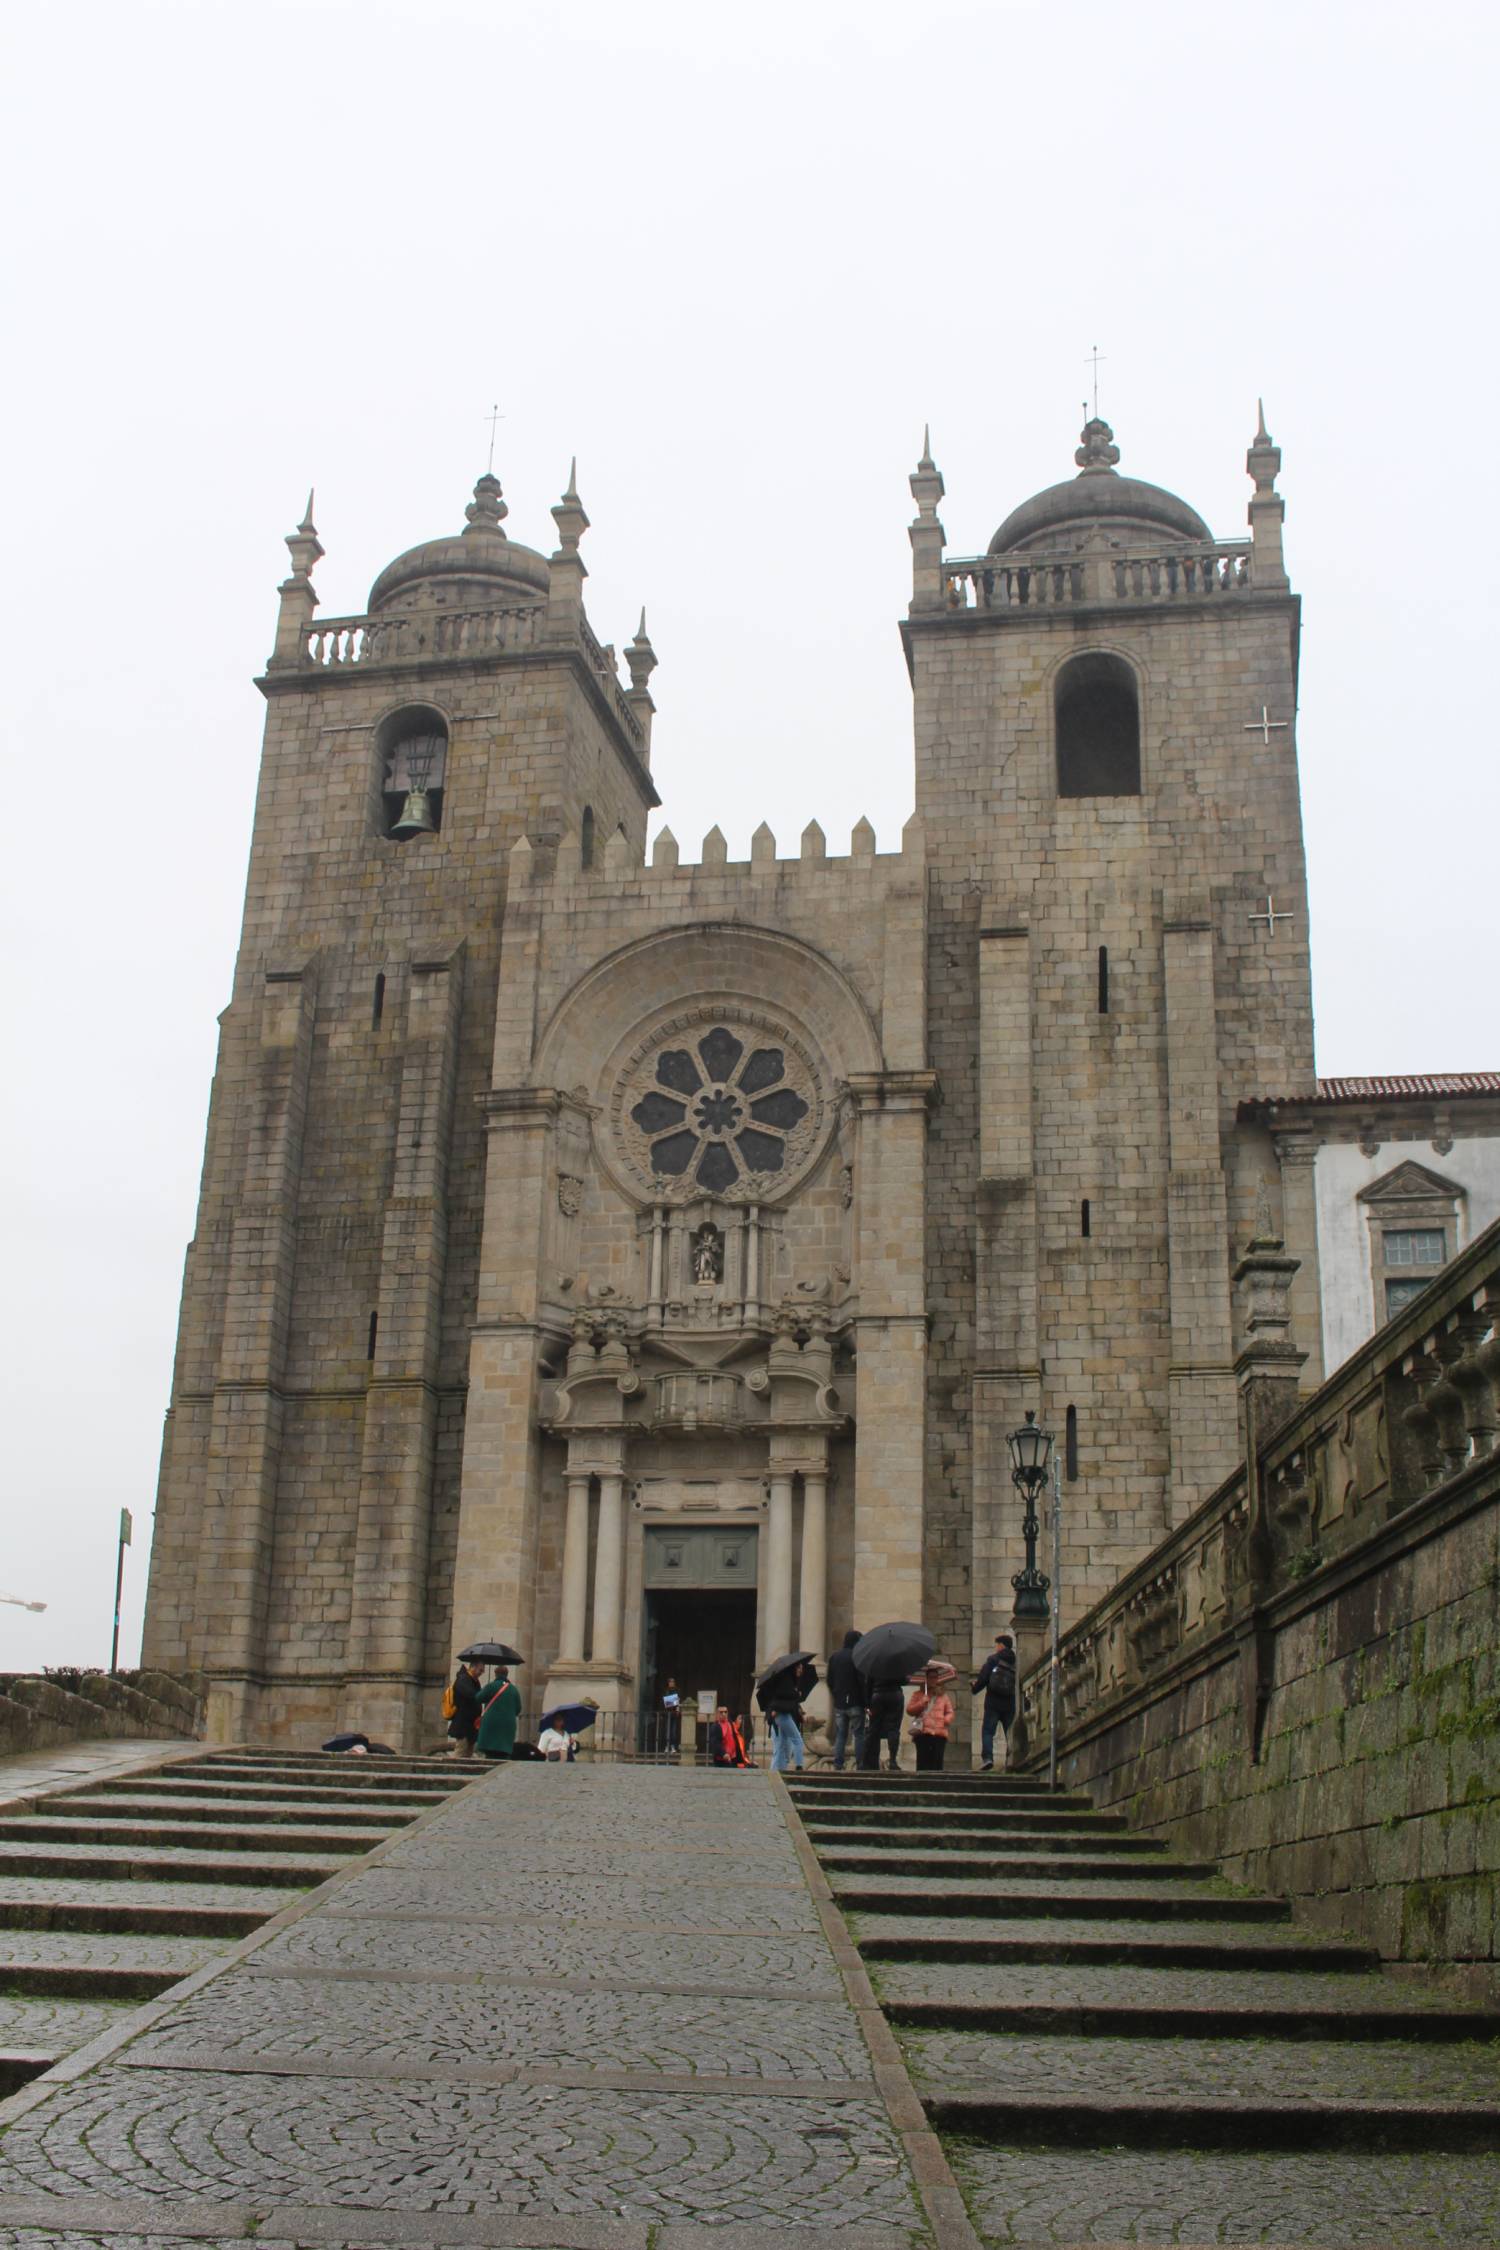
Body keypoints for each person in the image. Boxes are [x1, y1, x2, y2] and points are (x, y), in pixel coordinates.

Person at [758, 1658, 815, 1773]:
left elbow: (791, 1703)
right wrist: (796, 1694)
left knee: (783, 1747)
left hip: (783, 1716)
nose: (801, 1671)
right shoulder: (786, 1682)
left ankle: (779, 1772)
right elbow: (783, 1697)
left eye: (802, 1669)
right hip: (782, 1716)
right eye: (799, 1668)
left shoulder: (790, 1682)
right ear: (795, 1668)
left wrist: (799, 1713)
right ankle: (799, 1766)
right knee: (796, 1740)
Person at [971, 1633, 1017, 1770]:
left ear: (1001, 1645)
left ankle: (988, 1758)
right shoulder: (1016, 1661)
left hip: (993, 1702)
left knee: (988, 1731)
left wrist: (975, 1688)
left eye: (997, 1645)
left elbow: (984, 1678)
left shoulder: (993, 1659)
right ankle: (1012, 1759)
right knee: (1010, 1731)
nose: (995, 1647)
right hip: (1010, 1702)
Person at [826, 1628, 866, 1773]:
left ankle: (838, 1764)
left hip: (840, 1702)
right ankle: (860, 1764)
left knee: (841, 1735)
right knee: (859, 1734)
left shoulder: (834, 1657)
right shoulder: (857, 1657)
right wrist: (866, 1702)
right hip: (855, 1701)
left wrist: (836, 1694)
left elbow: (830, 1680)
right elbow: (861, 1681)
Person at [908, 1665, 956, 1771]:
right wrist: (921, 1703)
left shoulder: (943, 1696)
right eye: (930, 1677)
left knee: (937, 1764)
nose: (933, 1680)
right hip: (922, 1734)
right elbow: (909, 1710)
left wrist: (945, 1720)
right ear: (926, 1679)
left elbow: (950, 1712)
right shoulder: (918, 1694)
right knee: (922, 1764)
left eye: (935, 1677)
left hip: (939, 1734)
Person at [475, 1665, 522, 1760]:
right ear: (507, 1674)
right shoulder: (514, 1689)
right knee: (503, 1752)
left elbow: (478, 1698)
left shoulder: (491, 1686)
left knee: (490, 1752)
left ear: (495, 1674)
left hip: (491, 1723)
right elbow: (518, 1709)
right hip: (508, 1725)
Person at [860, 1675, 906, 1772]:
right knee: (893, 1729)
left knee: (872, 1729)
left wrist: (867, 1703)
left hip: (877, 1695)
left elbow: (868, 1684)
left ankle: (865, 1761)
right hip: (895, 1694)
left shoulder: (874, 1663)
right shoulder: (897, 1662)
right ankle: (892, 1760)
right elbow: (904, 1680)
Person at [446, 1657, 485, 1758]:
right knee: (461, 1751)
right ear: (473, 1667)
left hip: (471, 1724)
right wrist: (481, 1694)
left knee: (468, 1752)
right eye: (481, 1670)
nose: (482, 1672)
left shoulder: (473, 1681)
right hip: (463, 1722)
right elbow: (470, 1694)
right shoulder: (463, 1679)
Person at [661, 1677, 682, 1757]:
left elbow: (678, 1702)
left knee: (673, 1731)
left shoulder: (677, 1691)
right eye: (670, 1682)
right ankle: (667, 1746)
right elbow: (664, 1702)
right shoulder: (665, 1691)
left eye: (673, 1681)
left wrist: (677, 1710)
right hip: (667, 1714)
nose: (671, 1683)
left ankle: (673, 1747)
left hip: (674, 1714)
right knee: (667, 1731)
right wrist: (672, 1701)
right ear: (668, 1683)